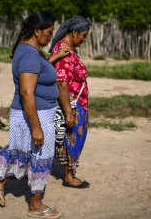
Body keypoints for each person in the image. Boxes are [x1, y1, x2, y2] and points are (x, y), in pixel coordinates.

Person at [0, 10, 69, 218]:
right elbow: (26, 92)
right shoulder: (31, 54)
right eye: (49, 32)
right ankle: (35, 206)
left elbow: (36, 75)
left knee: (24, 152)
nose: (51, 36)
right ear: (37, 30)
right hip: (36, 115)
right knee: (41, 158)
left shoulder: (29, 51)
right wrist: (37, 128)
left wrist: (54, 58)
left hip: (35, 114)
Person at [49, 16, 92, 189]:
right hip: (72, 105)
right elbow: (61, 83)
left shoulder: (67, 49)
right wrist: (68, 112)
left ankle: (69, 173)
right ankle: (69, 177)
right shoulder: (64, 52)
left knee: (72, 139)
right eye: (83, 35)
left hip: (77, 103)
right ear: (74, 33)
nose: (84, 39)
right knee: (70, 139)